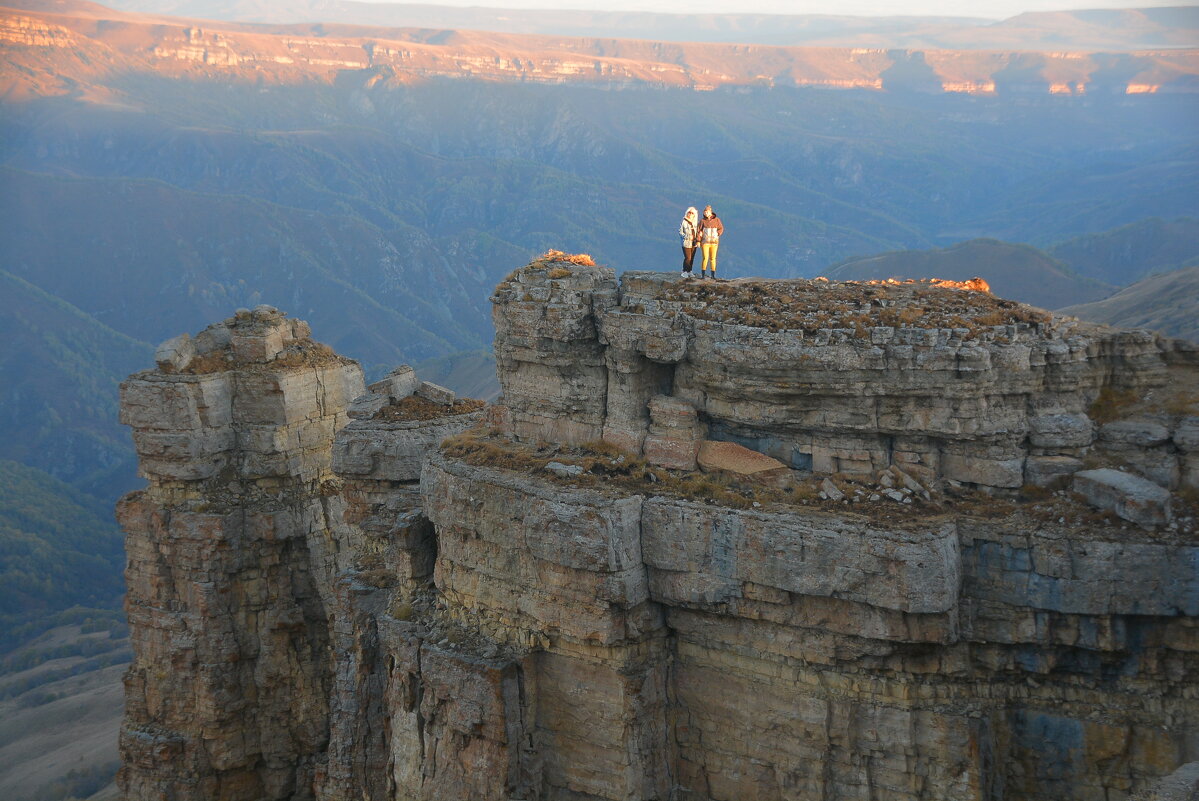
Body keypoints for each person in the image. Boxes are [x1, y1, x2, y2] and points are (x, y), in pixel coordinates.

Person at [697, 205, 724, 279]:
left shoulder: (717, 220)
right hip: (705, 242)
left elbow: (721, 228)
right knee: (705, 258)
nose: (705, 213)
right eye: (704, 211)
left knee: (713, 258)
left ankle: (713, 275)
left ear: (710, 212)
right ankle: (703, 275)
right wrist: (698, 241)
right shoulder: (702, 221)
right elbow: (699, 231)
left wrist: (717, 234)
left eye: (707, 211)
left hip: (714, 243)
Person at [678, 206, 699, 278]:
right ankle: (684, 271)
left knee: (692, 257)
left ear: (694, 215)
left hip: (694, 243)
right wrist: (687, 237)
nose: (690, 214)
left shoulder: (695, 223)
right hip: (686, 243)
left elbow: (697, 232)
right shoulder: (684, 222)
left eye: (692, 213)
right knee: (688, 258)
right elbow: (680, 232)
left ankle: (690, 271)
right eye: (689, 212)